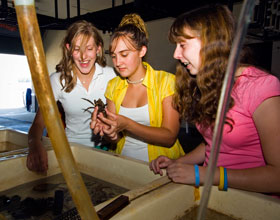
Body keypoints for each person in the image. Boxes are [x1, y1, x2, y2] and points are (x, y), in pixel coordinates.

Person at [149, 4, 280, 194]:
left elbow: (277, 177)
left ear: (210, 42)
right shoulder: (210, 84)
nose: (176, 54)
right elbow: (215, 142)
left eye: (182, 45)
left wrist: (208, 175)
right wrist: (178, 163)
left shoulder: (262, 87)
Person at [90, 14, 185, 162]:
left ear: (142, 51)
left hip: (160, 166)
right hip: (124, 163)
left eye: (124, 54)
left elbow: (169, 137)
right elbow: (116, 138)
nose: (117, 62)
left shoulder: (166, 82)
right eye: (114, 56)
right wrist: (110, 132)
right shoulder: (113, 86)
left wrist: (128, 124)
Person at [27, 20, 116, 172]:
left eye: (89, 49)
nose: (83, 57)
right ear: (68, 49)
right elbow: (37, 124)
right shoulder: (57, 80)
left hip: (106, 152)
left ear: (98, 49)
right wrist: (34, 144)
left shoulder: (112, 76)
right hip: (71, 152)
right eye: (77, 49)